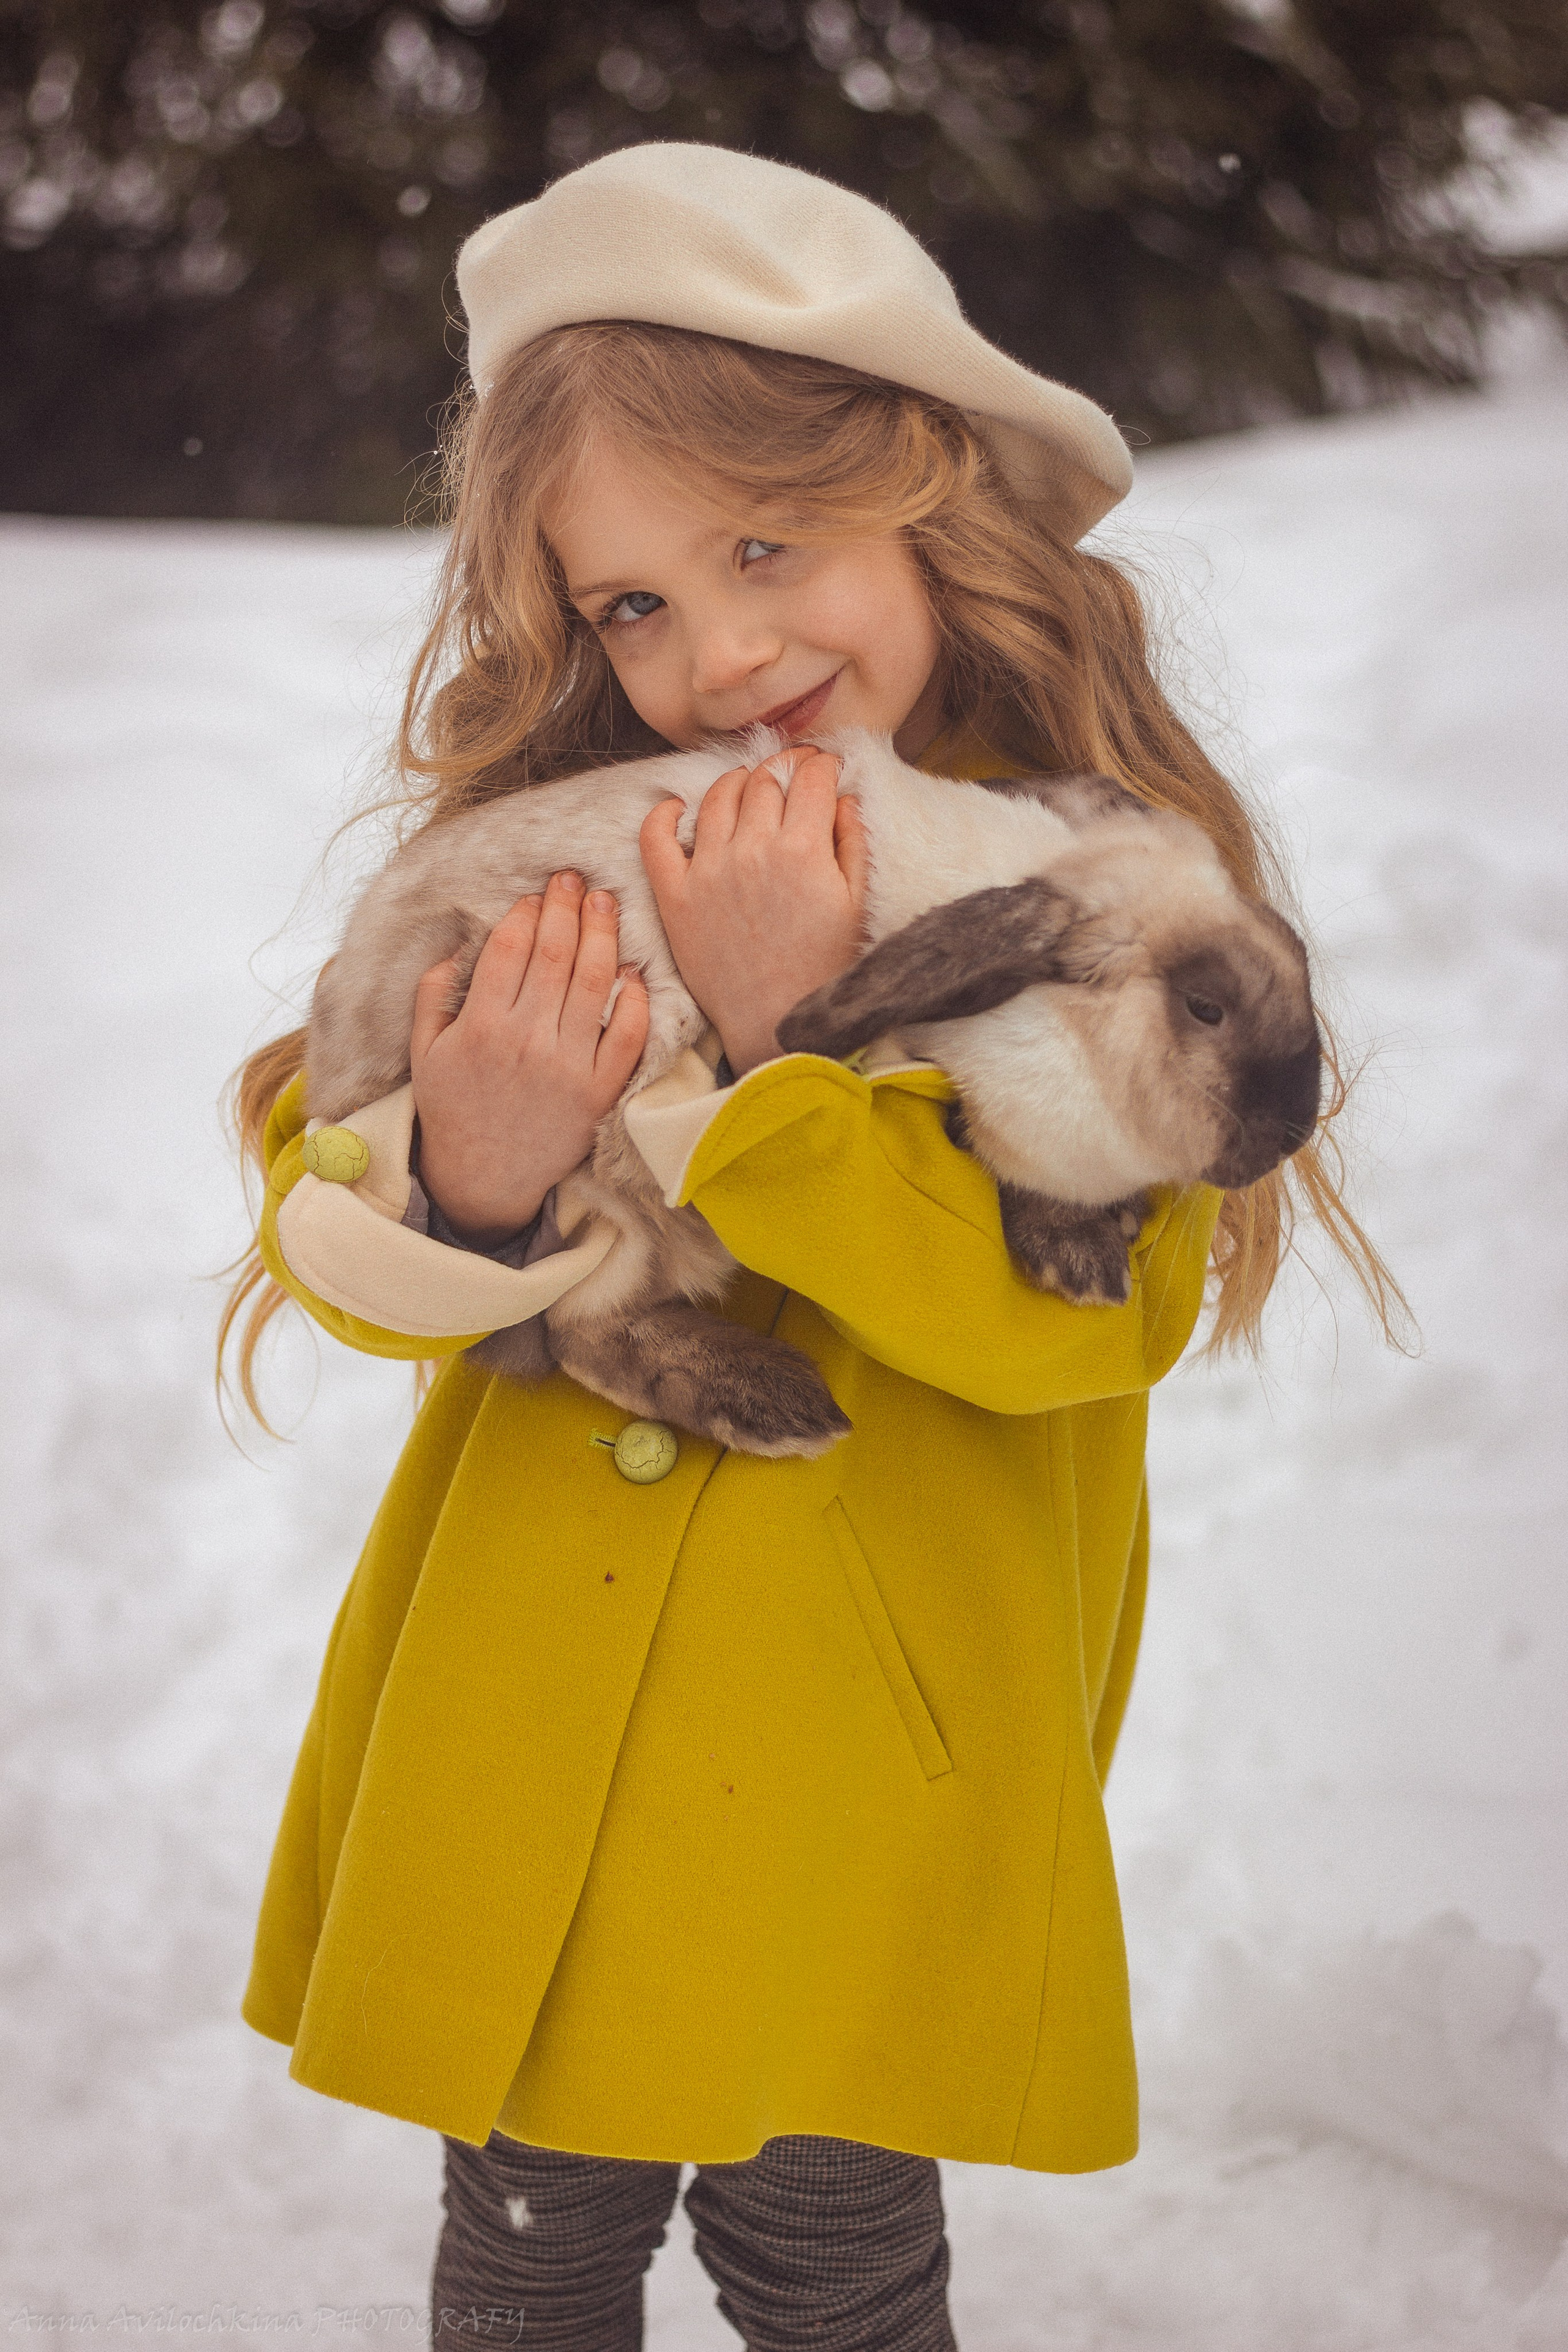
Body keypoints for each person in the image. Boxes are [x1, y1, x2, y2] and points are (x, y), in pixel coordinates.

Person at [222, 145, 1394, 2350]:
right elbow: (319, 1191)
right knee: (534, 2254)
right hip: (545, 1733)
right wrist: (476, 1176)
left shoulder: (1116, 897)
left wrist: (785, 1055)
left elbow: (1071, 1331)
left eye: (766, 549)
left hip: (866, 1776)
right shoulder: (554, 854)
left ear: (932, 509)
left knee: (837, 2263)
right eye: (635, 606)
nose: (717, 649)